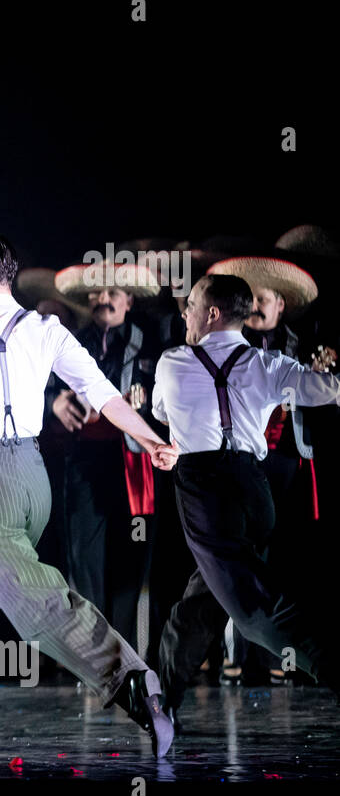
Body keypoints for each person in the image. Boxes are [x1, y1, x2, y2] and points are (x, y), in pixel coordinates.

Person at [0, 230, 177, 758]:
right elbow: (100, 392)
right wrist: (150, 438)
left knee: (34, 600)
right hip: (32, 477)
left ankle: (130, 679)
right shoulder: (47, 328)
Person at [152, 273, 340, 720]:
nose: (185, 312)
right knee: (203, 597)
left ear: (212, 313)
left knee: (255, 609)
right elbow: (325, 390)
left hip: (205, 490)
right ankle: (161, 695)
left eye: (192, 304)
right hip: (255, 492)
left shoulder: (172, 362)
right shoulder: (267, 364)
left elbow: (160, 411)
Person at [48, 262, 165, 652]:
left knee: (131, 559)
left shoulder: (150, 342)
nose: (104, 299)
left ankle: (128, 654)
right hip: (84, 459)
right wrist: (54, 402)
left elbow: (170, 395)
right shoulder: (69, 340)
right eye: (97, 293)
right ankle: (95, 654)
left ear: (130, 300)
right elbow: (41, 386)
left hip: (132, 462)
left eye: (114, 292)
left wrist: (147, 399)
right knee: (85, 555)